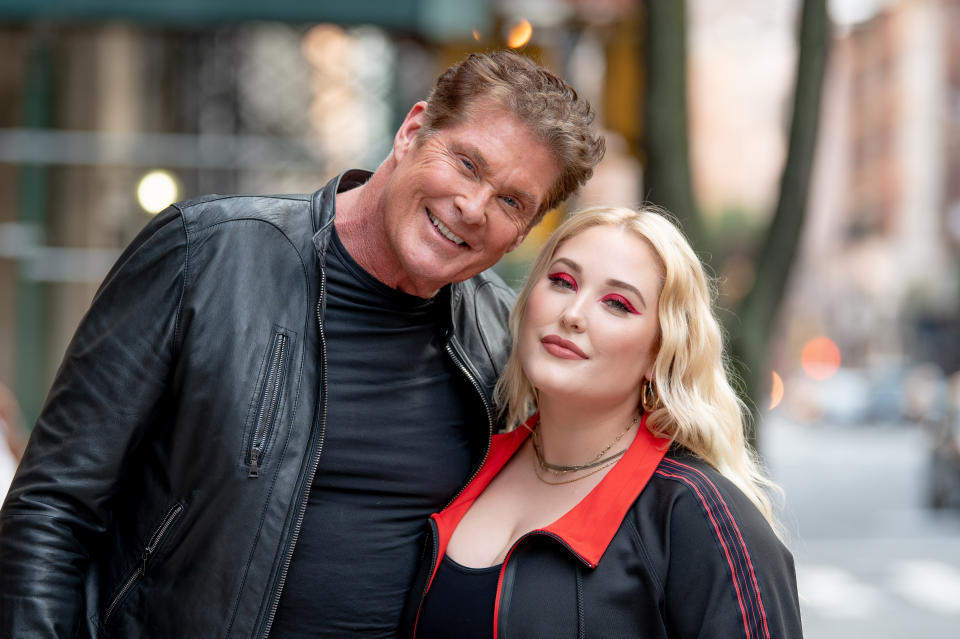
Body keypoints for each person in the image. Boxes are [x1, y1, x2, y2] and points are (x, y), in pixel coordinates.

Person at [0, 51, 605, 638]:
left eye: (510, 201)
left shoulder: (503, 341)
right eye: (467, 164)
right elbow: (53, 507)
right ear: (412, 131)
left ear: (525, 230)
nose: (472, 208)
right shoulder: (207, 253)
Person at [404, 206, 803, 638]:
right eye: (562, 281)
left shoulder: (700, 514)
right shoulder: (467, 464)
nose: (573, 313)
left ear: (659, 354)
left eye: (617, 304)